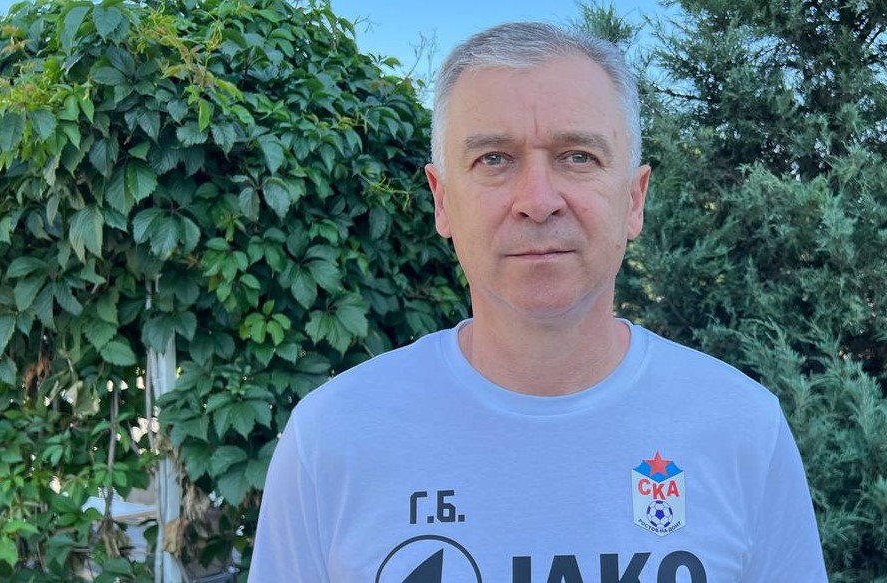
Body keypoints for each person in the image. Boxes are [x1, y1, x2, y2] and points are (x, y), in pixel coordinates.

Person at [250, 21, 827, 582]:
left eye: (578, 156)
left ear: (634, 199)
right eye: (493, 159)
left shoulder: (742, 428)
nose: (538, 200)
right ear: (442, 200)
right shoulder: (332, 439)